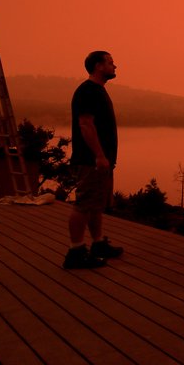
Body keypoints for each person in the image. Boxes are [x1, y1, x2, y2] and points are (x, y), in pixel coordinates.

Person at [64, 51, 125, 270]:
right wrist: (99, 155)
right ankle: (75, 252)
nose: (115, 66)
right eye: (110, 62)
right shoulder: (87, 91)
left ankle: (97, 244)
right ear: (99, 66)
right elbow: (85, 124)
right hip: (90, 160)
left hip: (101, 160)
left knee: (95, 204)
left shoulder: (97, 90)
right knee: (84, 204)